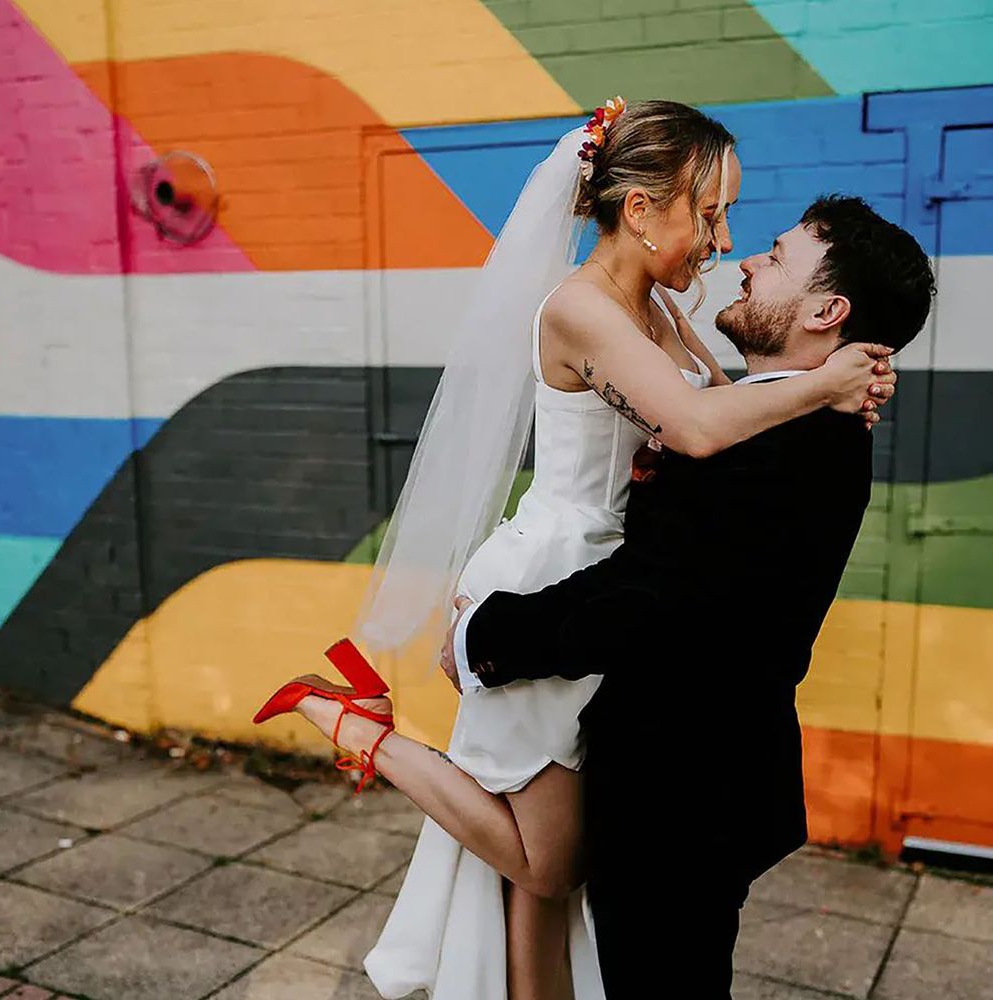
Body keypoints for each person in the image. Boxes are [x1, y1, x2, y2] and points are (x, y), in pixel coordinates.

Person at [253, 98, 896, 1000]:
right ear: (641, 209)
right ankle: (359, 727)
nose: (721, 238)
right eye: (709, 213)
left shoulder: (660, 311)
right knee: (549, 864)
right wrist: (829, 378)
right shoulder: (583, 309)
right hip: (553, 575)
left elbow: (733, 413)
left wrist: (823, 396)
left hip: (603, 577)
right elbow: (704, 428)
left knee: (544, 875)